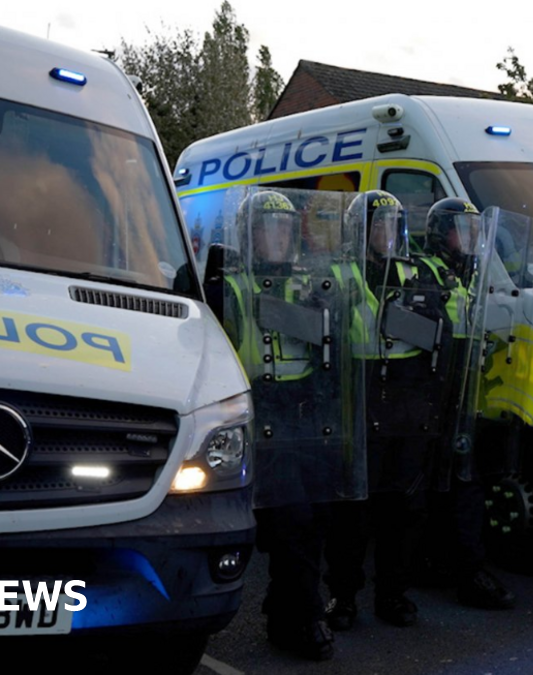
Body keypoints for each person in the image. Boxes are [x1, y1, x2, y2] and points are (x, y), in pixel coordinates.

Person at [215, 190, 357, 661]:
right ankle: (303, 618)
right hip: (259, 415)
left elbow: (340, 340)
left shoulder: (309, 281)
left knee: (315, 518)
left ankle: (286, 609)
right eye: (265, 228)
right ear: (247, 235)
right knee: (292, 521)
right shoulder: (232, 284)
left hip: (307, 412)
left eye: (283, 229)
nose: (276, 238)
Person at [325, 190, 435, 631]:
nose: (386, 233)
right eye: (378, 224)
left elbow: (436, 330)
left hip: (406, 404)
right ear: (359, 230)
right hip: (358, 397)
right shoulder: (338, 274)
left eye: (392, 224)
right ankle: (343, 596)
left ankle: (393, 594)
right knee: (352, 510)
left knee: (401, 509)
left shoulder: (414, 272)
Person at [414, 197, 516, 610]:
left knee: (464, 486)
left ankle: (465, 569)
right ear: (442, 234)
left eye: (475, 231)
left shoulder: (469, 277)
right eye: (462, 230)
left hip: (464, 397)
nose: (470, 239)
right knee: (433, 489)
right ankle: (434, 566)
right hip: (430, 398)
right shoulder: (424, 275)